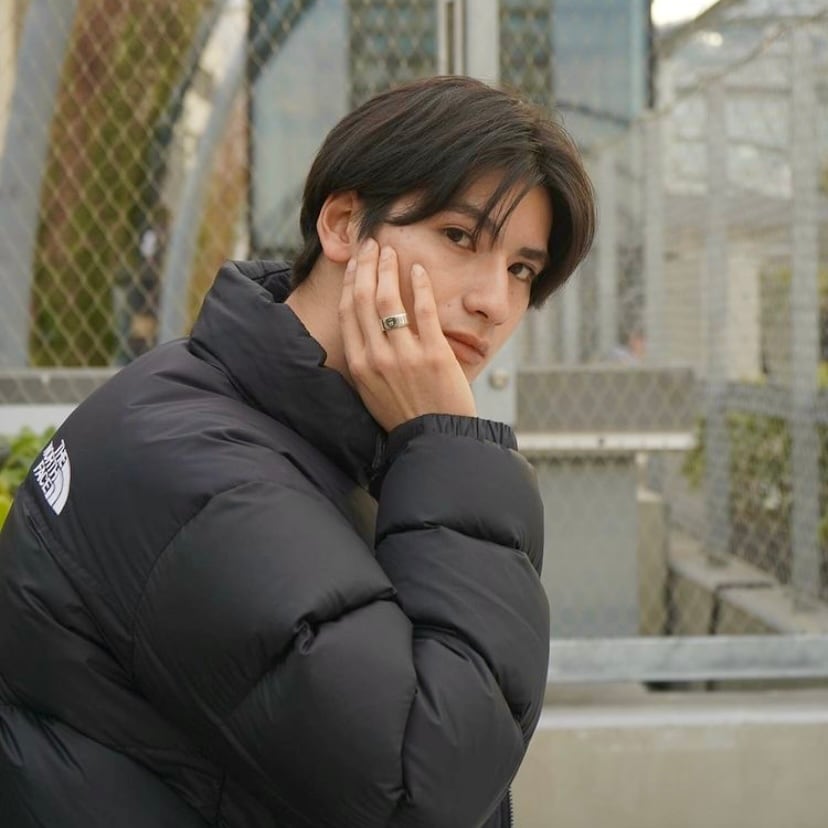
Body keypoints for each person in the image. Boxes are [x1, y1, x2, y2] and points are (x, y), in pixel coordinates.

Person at [0, 76, 594, 827]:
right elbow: (423, 790)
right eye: (458, 237)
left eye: (520, 269)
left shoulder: (320, 431)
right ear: (342, 224)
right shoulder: (194, 465)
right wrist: (449, 447)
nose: (494, 301)